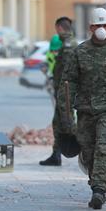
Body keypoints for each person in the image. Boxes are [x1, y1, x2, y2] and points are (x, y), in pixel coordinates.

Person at [61, 8, 106, 209]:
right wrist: (65, 115)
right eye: (98, 26)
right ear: (91, 28)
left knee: (104, 147)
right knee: (90, 151)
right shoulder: (80, 52)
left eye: (105, 25)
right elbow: (68, 84)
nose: (101, 29)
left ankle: (100, 191)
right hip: (85, 111)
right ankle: (96, 183)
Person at [40, 16, 76, 166]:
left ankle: (84, 151)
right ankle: (56, 154)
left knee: (68, 123)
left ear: (60, 28)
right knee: (59, 122)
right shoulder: (67, 43)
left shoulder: (68, 45)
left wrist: (61, 88)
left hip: (65, 92)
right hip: (62, 90)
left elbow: (66, 71)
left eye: (57, 29)